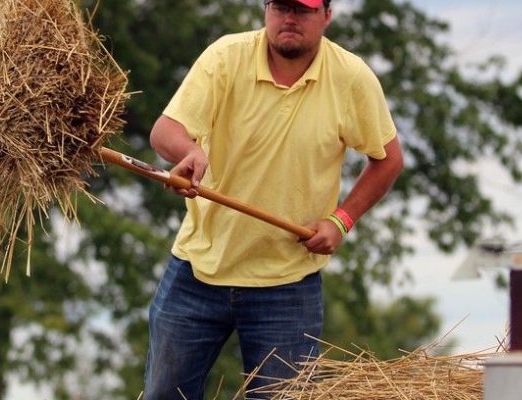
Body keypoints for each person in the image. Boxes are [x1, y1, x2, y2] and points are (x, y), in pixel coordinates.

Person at [145, 0, 403, 398]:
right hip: (197, 269)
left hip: (288, 284)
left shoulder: (351, 77)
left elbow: (388, 161)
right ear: (266, 9)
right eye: (280, 6)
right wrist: (189, 152)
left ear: (327, 16)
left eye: (303, 9)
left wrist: (342, 220)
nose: (289, 19)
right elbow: (166, 130)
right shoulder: (225, 57)